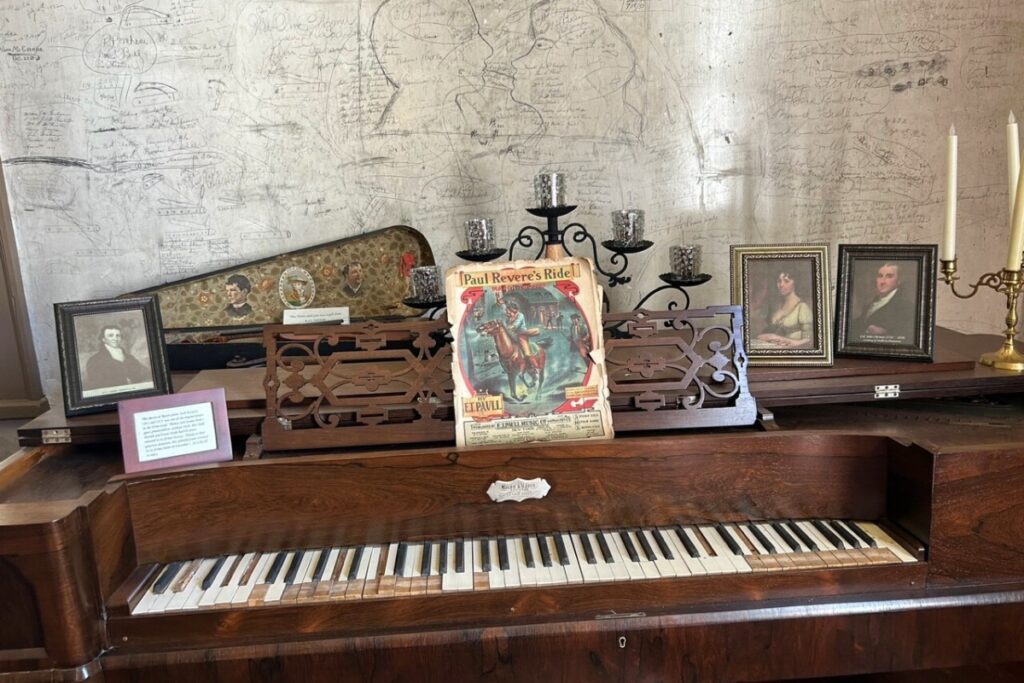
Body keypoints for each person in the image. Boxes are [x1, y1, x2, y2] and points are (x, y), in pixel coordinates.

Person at [852, 262, 914, 342]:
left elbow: (907, 336)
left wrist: (886, 333)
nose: (882, 282)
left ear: (898, 281)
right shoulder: (870, 304)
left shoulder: (906, 306)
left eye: (889, 276)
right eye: (880, 276)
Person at [754, 271, 813, 349]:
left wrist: (776, 338)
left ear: (795, 283)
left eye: (786, 281)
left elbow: (808, 342)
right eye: (779, 281)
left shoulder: (802, 307)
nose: (781, 285)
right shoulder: (778, 306)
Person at [84, 325, 151, 391]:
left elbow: (144, 373)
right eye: (111, 335)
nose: (115, 338)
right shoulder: (95, 360)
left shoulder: (129, 358)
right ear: (103, 339)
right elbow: (96, 385)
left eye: (118, 335)